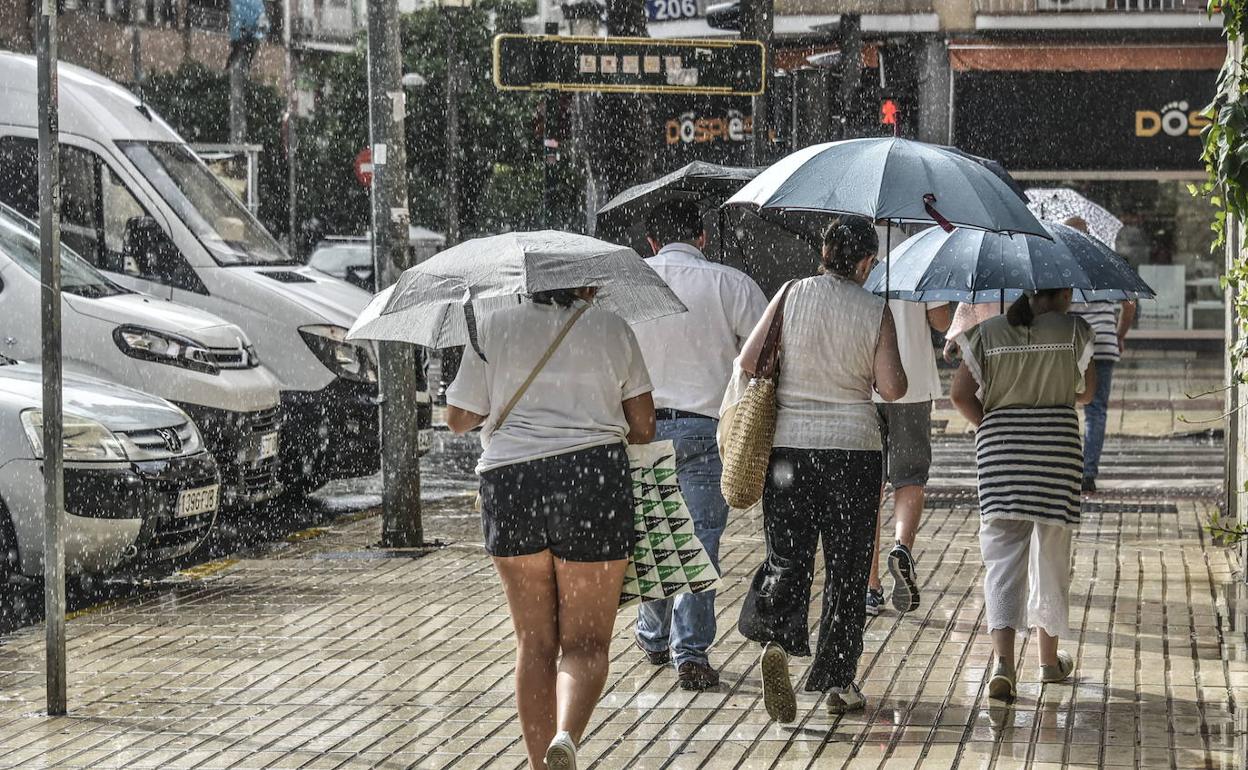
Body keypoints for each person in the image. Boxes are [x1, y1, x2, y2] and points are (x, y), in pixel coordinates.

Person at [446, 287, 656, 770]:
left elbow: (458, 419)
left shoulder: (493, 326)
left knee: (534, 643)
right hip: (592, 479)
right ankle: (565, 735)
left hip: (511, 483)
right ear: (584, 281)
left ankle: (542, 766)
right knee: (585, 645)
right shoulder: (611, 328)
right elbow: (643, 426)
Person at [733, 216, 907, 722]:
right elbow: (892, 388)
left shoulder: (789, 293)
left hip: (790, 451)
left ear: (825, 252)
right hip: (853, 452)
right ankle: (836, 681)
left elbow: (748, 360)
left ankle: (780, 645)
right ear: (865, 262)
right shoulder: (876, 309)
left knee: (789, 556)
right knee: (849, 570)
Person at [629, 200, 768, 690]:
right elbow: (767, 355)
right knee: (700, 541)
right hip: (708, 431)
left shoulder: (629, 284)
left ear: (651, 242)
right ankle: (689, 652)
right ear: (702, 237)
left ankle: (651, 633)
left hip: (642, 428)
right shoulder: (731, 283)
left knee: (653, 534)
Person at [949, 287, 1096, 701]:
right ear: (1065, 291)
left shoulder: (989, 332)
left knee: (1001, 560)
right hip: (1056, 455)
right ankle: (1048, 664)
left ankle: (1003, 664)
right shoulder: (1075, 332)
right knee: (1051, 558)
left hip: (1000, 457)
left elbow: (959, 395)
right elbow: (1087, 393)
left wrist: (993, 426)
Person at [867, 224, 951, 617]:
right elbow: (940, 321)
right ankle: (902, 545)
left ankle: (868, 584)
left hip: (862, 382)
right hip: (912, 382)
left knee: (867, 482)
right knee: (910, 474)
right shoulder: (921, 252)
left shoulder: (856, 250)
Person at [1060, 216, 1137, 493]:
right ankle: (1088, 473)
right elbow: (1129, 304)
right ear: (1089, 233)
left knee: (1062, 408)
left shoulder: (1058, 264)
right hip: (1104, 345)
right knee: (1096, 411)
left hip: (1069, 345)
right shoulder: (1105, 261)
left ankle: (1065, 471)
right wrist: (1119, 335)